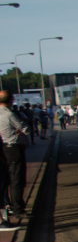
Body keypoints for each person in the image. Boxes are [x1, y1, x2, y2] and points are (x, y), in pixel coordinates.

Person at [0, 91, 31, 225]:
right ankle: (18, 209)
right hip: (13, 148)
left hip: (3, 148)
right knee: (17, 178)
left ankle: (8, 205)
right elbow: (26, 129)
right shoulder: (9, 114)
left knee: (5, 179)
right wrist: (19, 130)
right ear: (11, 100)